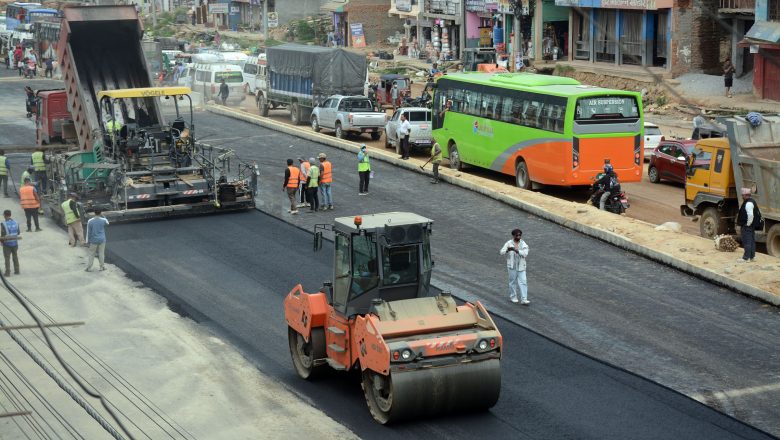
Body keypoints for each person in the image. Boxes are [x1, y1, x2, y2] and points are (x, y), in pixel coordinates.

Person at [499, 229, 530, 305]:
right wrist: (507, 250)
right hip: (512, 266)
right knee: (512, 282)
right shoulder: (508, 243)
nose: (518, 236)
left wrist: (517, 250)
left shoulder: (523, 244)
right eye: (517, 235)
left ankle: (524, 299)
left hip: (521, 266)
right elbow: (501, 252)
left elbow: (525, 254)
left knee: (523, 282)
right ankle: (513, 297)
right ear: (513, 236)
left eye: (520, 235)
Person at [736, 187, 760, 263]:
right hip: (751, 226)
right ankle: (752, 257)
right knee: (751, 241)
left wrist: (748, 224)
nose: (742, 197)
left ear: (746, 195)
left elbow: (750, 215)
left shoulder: (748, 203)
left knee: (747, 241)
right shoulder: (751, 201)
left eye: (743, 195)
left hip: (747, 226)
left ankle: (746, 258)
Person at [1, 210, 21, 277]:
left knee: (7, 258)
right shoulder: (16, 222)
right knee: (15, 256)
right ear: (10, 214)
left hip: (7, 244)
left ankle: (7, 272)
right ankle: (17, 270)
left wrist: (1, 241)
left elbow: (3, 234)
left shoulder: (3, 224)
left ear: (5, 215)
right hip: (15, 243)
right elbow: (18, 233)